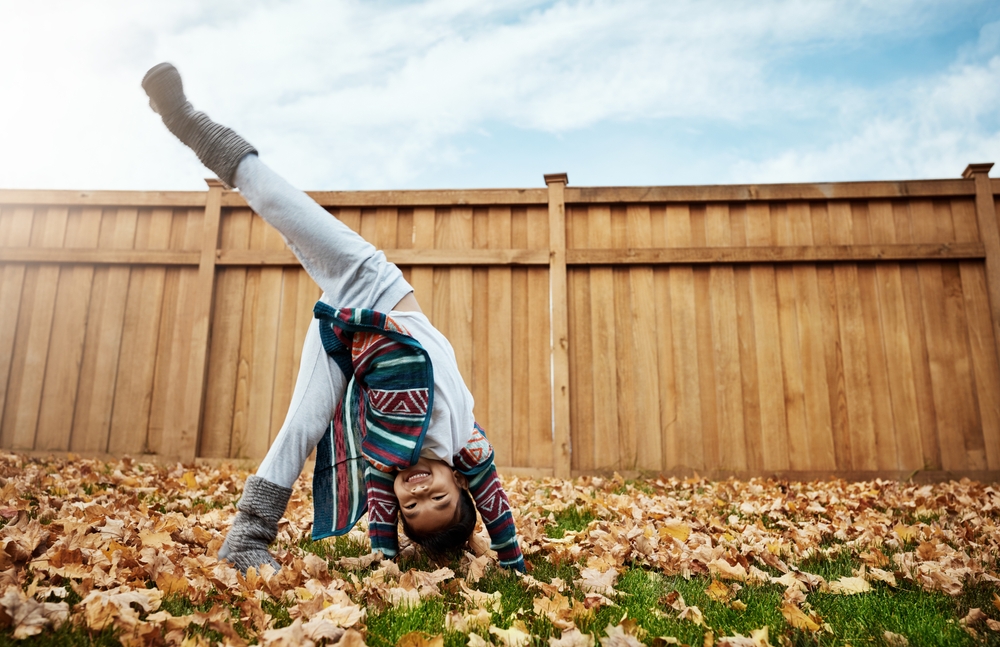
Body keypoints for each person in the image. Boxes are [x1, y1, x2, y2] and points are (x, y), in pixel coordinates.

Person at [141, 63, 524, 574]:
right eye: (441, 500)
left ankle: (245, 539)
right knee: (278, 202)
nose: (420, 494)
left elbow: (383, 524)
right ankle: (186, 120)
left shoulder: (386, 465)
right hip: (374, 287)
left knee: (301, 424)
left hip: (345, 341)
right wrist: (513, 564)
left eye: (413, 508)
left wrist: (384, 558)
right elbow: (497, 509)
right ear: (459, 483)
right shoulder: (465, 444)